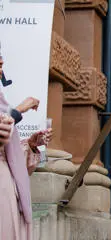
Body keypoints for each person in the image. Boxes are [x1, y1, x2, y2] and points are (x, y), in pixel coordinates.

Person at [0, 53, 53, 239]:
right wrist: (20, 109)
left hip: (6, 187)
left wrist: (31, 145)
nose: (1, 63)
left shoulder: (1, 101)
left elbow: (9, 158)